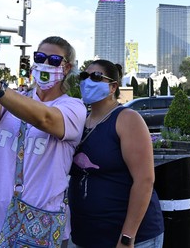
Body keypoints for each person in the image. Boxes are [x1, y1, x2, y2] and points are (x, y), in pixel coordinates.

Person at [0, 35, 87, 247]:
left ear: (66, 68)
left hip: (37, 230)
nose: (45, 64)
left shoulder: (73, 108)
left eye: (54, 60)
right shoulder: (13, 100)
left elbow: (45, 119)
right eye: (40, 57)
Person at [69, 60, 164, 248]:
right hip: (87, 236)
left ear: (113, 87)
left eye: (96, 77)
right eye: (84, 77)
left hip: (130, 239)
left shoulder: (127, 119)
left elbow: (144, 181)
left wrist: (127, 238)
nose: (87, 82)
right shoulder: (82, 121)